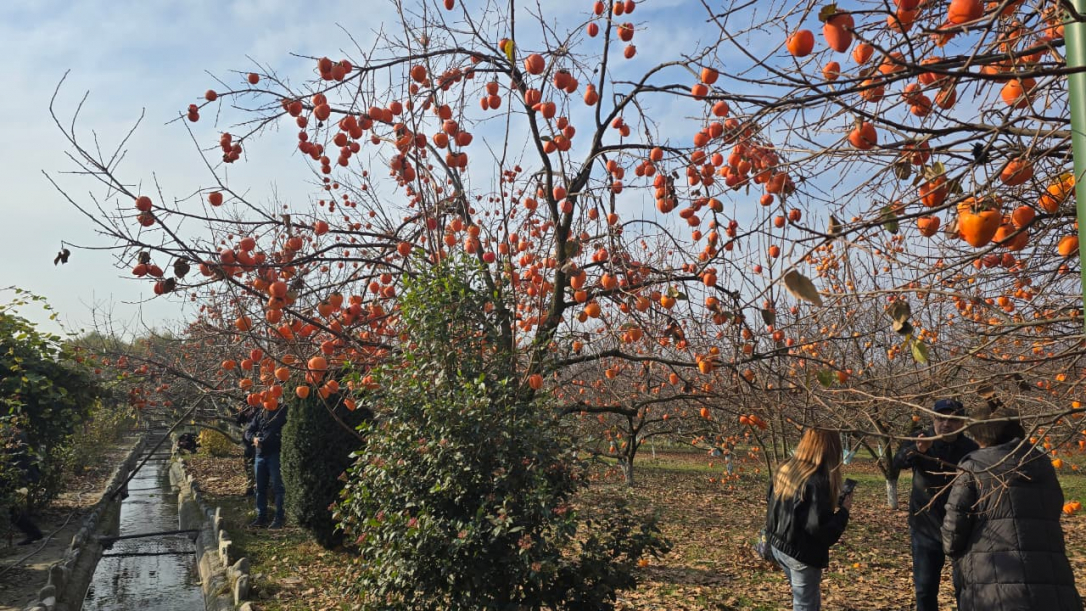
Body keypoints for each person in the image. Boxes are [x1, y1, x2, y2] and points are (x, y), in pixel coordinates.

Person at [943, 408, 1082, 610]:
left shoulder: (975, 464)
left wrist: (951, 549)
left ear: (980, 434)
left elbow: (955, 524)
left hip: (992, 573)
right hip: (1048, 569)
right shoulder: (1041, 462)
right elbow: (1055, 505)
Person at [893, 398, 977, 611]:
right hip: (925, 527)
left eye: (952, 419)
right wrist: (918, 450)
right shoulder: (921, 438)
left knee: (965, 587)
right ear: (933, 418)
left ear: (962, 422)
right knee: (925, 588)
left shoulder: (971, 448)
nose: (946, 423)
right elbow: (897, 463)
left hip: (962, 529)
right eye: (941, 418)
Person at [765, 428, 852, 611]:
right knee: (805, 604)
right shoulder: (817, 482)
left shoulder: (787, 469)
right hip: (801, 552)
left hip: (780, 544)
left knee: (806, 598)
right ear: (831, 450)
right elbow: (822, 530)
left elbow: (781, 504)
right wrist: (844, 511)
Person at [243, 403, 289, 528]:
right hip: (260, 455)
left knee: (278, 487)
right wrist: (254, 439)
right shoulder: (260, 414)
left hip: (274, 454)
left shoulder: (282, 411)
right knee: (260, 488)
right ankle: (261, 517)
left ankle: (279, 518)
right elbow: (248, 431)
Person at [6, 425, 43, 545]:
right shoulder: (11, 429)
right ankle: (33, 532)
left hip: (14, 471)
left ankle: (33, 532)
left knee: (10, 506)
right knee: (11, 506)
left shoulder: (8, 432)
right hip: (19, 470)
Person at [236, 403, 259, 497]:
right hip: (248, 446)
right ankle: (250, 488)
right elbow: (238, 421)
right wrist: (242, 412)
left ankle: (255, 488)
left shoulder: (259, 413)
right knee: (248, 467)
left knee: (255, 467)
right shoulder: (248, 414)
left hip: (255, 445)